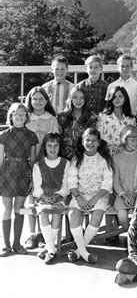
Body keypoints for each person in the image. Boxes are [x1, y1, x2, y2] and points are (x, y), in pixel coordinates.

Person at [66, 128, 113, 264]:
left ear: (99, 143)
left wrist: (93, 200)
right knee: (72, 215)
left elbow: (107, 184)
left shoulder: (104, 160)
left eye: (94, 141)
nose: (90, 143)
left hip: (98, 196)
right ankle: (84, 253)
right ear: (82, 141)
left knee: (97, 216)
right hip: (79, 195)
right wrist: (79, 198)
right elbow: (72, 182)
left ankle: (78, 252)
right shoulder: (77, 159)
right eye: (87, 140)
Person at [0, 103, 38, 257]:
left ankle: (17, 243)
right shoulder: (4, 135)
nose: (19, 117)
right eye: (16, 114)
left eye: (23, 114)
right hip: (7, 173)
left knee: (19, 209)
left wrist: (32, 180)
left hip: (23, 173)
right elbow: (0, 159)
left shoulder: (31, 135)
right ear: (11, 116)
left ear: (26, 117)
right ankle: (6, 245)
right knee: (7, 209)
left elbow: (33, 160)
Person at [25, 86, 60, 249]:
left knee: (44, 195)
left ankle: (44, 235)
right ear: (30, 101)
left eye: (41, 99)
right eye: (34, 99)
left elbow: (55, 141)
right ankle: (33, 234)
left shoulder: (52, 119)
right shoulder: (25, 118)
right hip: (27, 162)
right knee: (31, 197)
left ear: (46, 101)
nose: (38, 102)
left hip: (45, 163)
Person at [31, 132, 70, 264]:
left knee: (57, 213)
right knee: (43, 212)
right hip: (43, 196)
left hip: (59, 195)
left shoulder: (66, 163)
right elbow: (37, 185)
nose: (52, 149)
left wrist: (58, 195)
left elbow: (66, 185)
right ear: (45, 147)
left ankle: (49, 248)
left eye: (55, 145)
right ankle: (51, 249)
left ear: (60, 147)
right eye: (49, 145)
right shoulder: (38, 164)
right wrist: (43, 196)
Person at [113, 125, 137, 231]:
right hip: (122, 196)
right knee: (122, 216)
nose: (136, 142)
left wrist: (135, 194)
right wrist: (124, 196)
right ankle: (131, 235)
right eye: (133, 139)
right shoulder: (116, 158)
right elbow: (115, 181)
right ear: (124, 140)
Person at [58, 85, 97, 160]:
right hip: (64, 159)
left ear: (85, 99)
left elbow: (94, 141)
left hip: (84, 159)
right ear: (71, 99)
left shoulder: (92, 118)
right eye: (75, 97)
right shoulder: (62, 117)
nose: (78, 101)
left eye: (81, 98)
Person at [97, 85, 136, 156]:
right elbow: (99, 138)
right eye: (114, 97)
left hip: (125, 155)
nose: (117, 99)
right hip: (107, 155)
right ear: (111, 99)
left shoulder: (131, 119)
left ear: (125, 98)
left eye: (120, 96)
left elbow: (132, 140)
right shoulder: (103, 116)